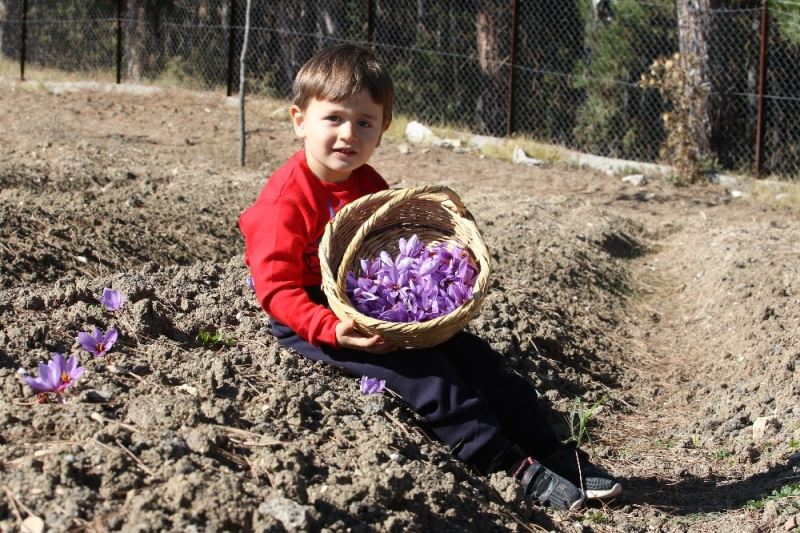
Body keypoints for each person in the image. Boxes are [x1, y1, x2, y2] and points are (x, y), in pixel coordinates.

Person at [238, 44, 621, 510]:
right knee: (431, 379)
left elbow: (400, 244)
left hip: (375, 305)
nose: (348, 134)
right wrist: (333, 330)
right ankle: (505, 464)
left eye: (364, 122)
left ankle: (552, 451)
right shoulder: (283, 203)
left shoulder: (370, 186)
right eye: (334, 118)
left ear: (381, 131)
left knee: (486, 366)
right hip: (313, 314)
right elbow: (276, 289)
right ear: (300, 119)